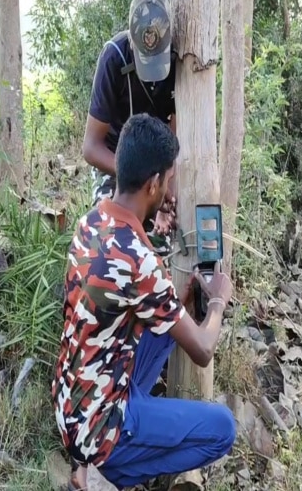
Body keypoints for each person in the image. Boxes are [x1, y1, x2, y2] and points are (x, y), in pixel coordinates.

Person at [53, 114, 236, 490]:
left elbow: (128, 295)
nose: (170, 192)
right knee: (222, 429)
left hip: (69, 403)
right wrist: (217, 301)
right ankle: (108, 473)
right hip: (100, 426)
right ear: (153, 183)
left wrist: (179, 300)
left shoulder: (90, 222)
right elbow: (203, 349)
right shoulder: (140, 261)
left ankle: (96, 458)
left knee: (171, 327)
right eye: (169, 181)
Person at [81, 0, 177, 244]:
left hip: (159, 170)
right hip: (114, 161)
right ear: (132, 42)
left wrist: (162, 195)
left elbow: (176, 142)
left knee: (165, 242)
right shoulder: (114, 57)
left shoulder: (179, 59)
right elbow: (91, 148)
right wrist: (138, 178)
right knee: (110, 237)